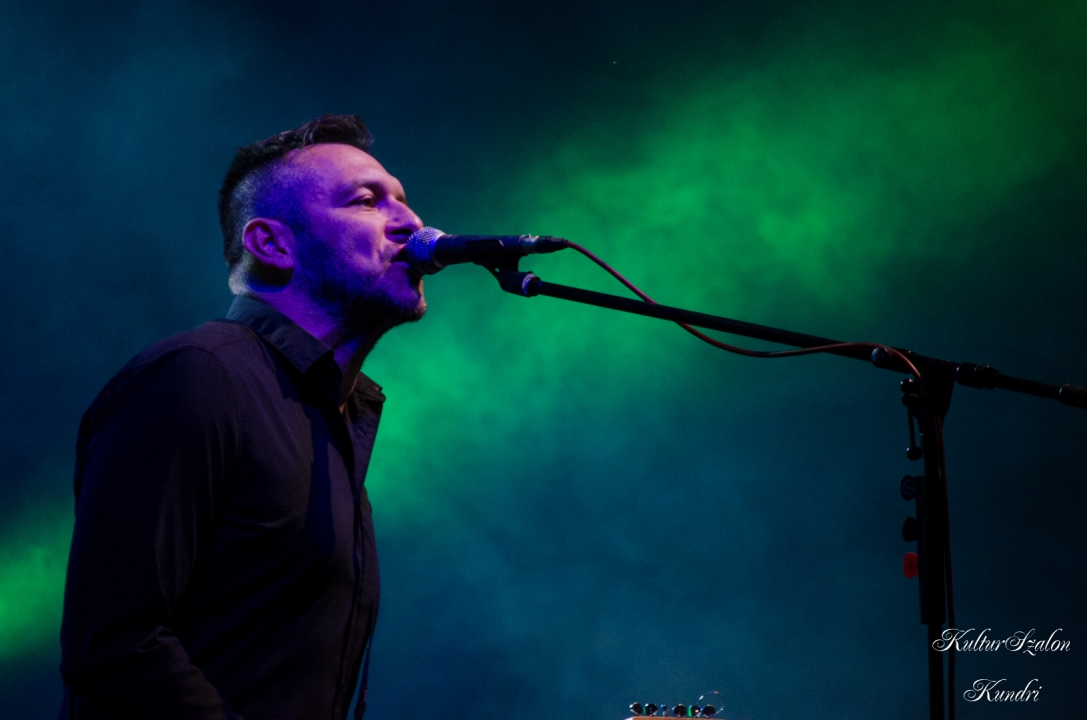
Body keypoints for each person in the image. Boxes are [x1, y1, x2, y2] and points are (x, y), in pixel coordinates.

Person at [58, 114, 425, 720]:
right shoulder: (198, 375)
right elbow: (115, 645)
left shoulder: (333, 416)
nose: (411, 222)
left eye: (403, 200)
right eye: (366, 200)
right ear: (272, 244)